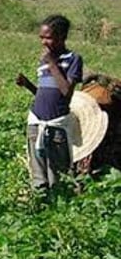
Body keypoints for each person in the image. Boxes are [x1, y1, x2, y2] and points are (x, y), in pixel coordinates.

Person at [15, 15, 83, 190]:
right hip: (36, 122)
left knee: (57, 174)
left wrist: (52, 64)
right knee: (38, 175)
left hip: (56, 125)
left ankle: (58, 206)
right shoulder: (43, 62)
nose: (44, 42)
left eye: (48, 37)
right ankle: (40, 204)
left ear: (62, 37)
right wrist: (28, 84)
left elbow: (66, 92)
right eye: (41, 37)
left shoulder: (73, 59)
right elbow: (43, 93)